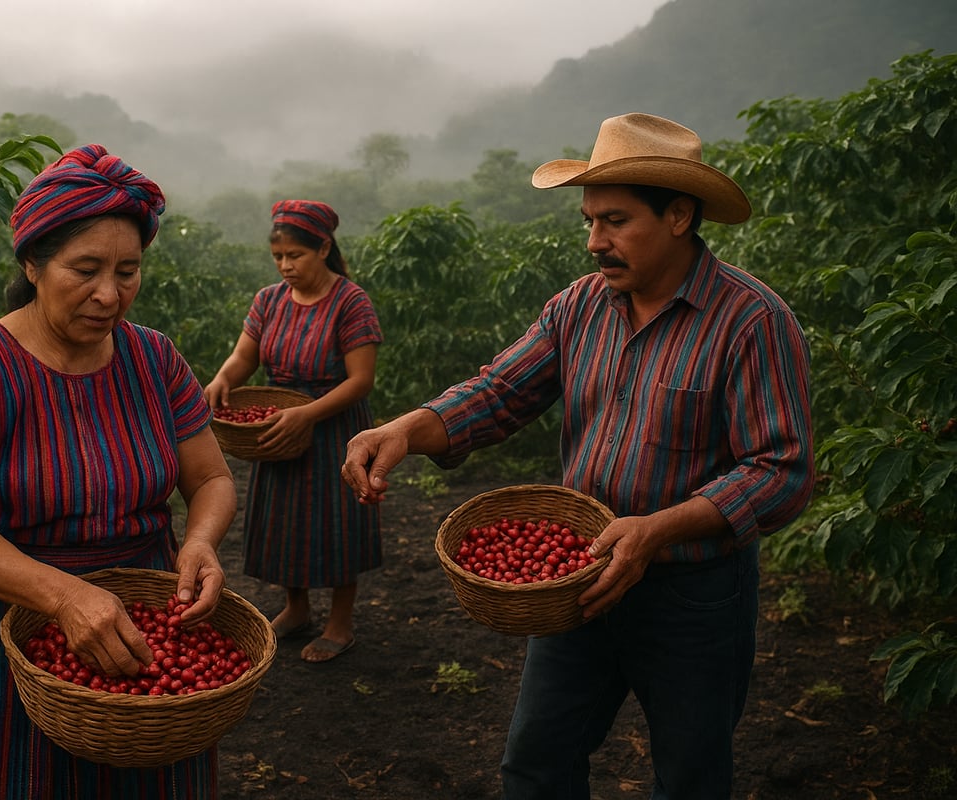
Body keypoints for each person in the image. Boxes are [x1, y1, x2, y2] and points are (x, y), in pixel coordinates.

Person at [342, 113, 815, 799]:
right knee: (536, 761)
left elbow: (781, 469)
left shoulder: (750, 321)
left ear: (679, 215)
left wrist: (657, 529)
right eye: (590, 221)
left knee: (690, 773)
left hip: (692, 597)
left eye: (616, 221)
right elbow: (501, 390)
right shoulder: (580, 307)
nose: (595, 241)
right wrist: (408, 429)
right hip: (576, 580)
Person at [0, 144, 237, 798]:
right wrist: (62, 596)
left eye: (128, 270)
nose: (110, 294)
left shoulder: (153, 358)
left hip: (142, 623)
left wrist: (198, 543)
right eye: (85, 269)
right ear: (32, 262)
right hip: (3, 632)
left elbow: (212, 479)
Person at [204, 200, 382, 663]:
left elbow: (361, 380)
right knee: (286, 522)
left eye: (295, 256)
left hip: (332, 429)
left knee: (338, 523)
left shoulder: (350, 302)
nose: (285, 266)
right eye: (278, 257)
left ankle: (339, 624)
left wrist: (309, 414)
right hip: (279, 425)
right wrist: (223, 380)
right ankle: (296, 608)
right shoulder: (268, 300)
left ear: (323, 248)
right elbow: (245, 357)